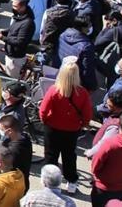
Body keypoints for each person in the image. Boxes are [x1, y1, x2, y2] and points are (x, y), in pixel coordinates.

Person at [39, 61, 91, 194]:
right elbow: (87, 114)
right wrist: (82, 125)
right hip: (72, 129)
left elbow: (43, 110)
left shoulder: (54, 90)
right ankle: (71, 182)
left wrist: (46, 121)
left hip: (52, 128)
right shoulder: (82, 92)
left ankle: (49, 183)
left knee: (51, 155)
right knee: (69, 156)